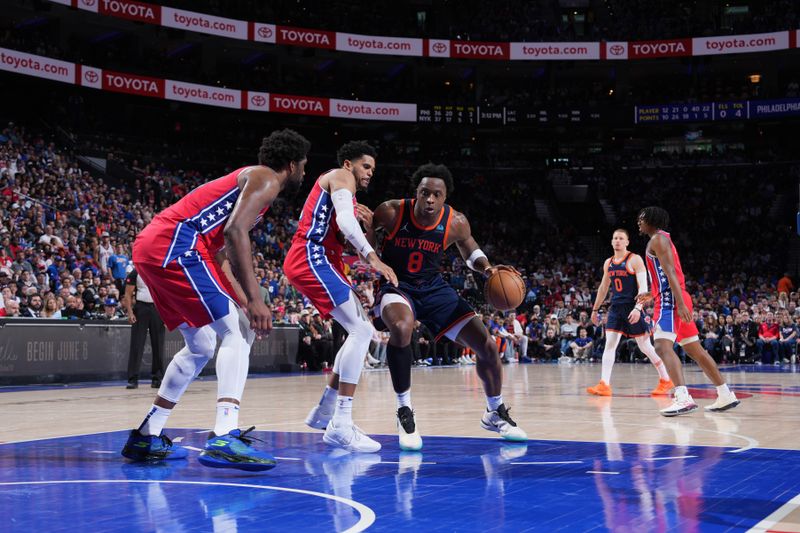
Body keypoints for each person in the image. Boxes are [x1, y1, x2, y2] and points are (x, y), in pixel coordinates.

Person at [121, 129, 310, 469]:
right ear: (292, 164)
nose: (304, 173)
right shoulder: (266, 178)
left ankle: (147, 435)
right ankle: (225, 435)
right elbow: (234, 233)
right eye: (304, 166)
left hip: (154, 247)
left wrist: (242, 300)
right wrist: (255, 299)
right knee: (237, 332)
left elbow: (220, 253)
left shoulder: (249, 185)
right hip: (176, 244)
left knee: (202, 344)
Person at [362, 162, 527, 450]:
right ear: (416, 192)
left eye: (436, 194)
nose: (429, 199)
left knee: (487, 345)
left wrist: (487, 269)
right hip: (397, 285)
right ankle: (404, 411)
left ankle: (494, 412)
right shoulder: (390, 211)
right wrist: (368, 238)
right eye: (424, 192)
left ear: (445, 197)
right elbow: (367, 243)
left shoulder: (456, 222)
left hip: (435, 289)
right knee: (401, 329)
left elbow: (471, 252)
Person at [284, 141, 397, 453]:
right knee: (362, 331)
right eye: (366, 166)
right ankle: (341, 422)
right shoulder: (340, 176)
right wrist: (372, 256)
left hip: (321, 259)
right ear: (349, 164)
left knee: (359, 331)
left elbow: (344, 228)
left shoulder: (346, 193)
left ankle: (324, 412)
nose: (370, 173)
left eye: (373, 170)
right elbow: (346, 224)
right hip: (311, 256)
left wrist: (370, 230)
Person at [637, 207, 739, 416]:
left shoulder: (657, 239)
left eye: (641, 219)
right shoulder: (662, 239)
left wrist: (679, 303)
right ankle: (725, 393)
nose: (638, 222)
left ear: (652, 220)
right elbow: (664, 274)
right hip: (673, 296)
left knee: (661, 346)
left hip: (671, 300)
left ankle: (683, 398)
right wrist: (652, 292)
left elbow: (671, 271)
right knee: (695, 351)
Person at [587, 229, 674, 396]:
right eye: (615, 238)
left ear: (627, 242)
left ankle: (665, 379)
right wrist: (595, 309)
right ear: (612, 242)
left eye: (621, 238)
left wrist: (638, 308)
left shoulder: (634, 259)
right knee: (610, 345)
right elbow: (604, 288)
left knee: (645, 346)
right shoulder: (608, 263)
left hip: (632, 307)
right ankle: (604, 384)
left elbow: (643, 287)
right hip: (616, 308)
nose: (617, 241)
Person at [123, 265, 166, 389]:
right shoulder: (135, 272)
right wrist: (130, 313)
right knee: (137, 344)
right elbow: (127, 294)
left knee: (158, 344)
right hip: (141, 308)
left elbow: (165, 295)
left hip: (157, 309)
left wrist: (168, 315)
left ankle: (157, 378)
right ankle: (132, 379)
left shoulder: (160, 272)